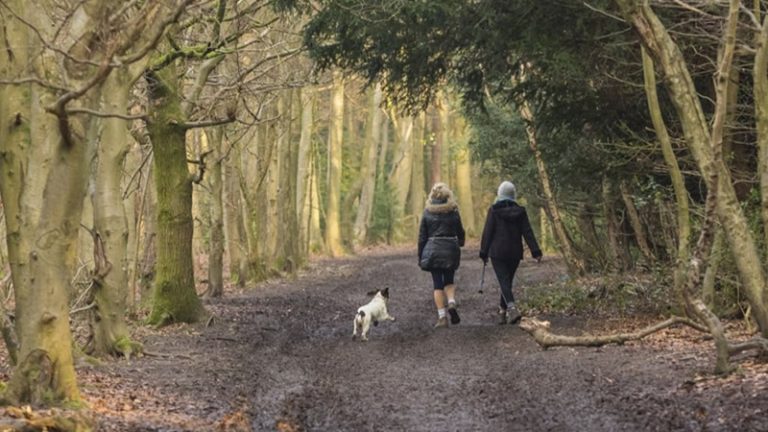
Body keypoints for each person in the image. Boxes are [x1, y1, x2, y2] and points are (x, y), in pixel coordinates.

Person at [479, 181, 542, 325]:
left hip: (498, 252)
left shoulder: (493, 210)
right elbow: (527, 232)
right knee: (506, 281)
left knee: (503, 281)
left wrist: (484, 252)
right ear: (514, 195)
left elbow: (487, 232)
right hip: (514, 252)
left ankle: (512, 308)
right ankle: (502, 311)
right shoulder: (520, 211)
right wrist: (535, 251)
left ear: (499, 194)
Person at [418, 183, 466, 328]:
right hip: (450, 249)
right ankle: (451, 302)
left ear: (432, 195)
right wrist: (461, 242)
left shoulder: (427, 212)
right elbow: (460, 230)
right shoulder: (453, 211)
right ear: (448, 195)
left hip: (433, 250)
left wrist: (421, 256)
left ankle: (442, 318)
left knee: (437, 284)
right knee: (449, 279)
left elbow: (422, 236)